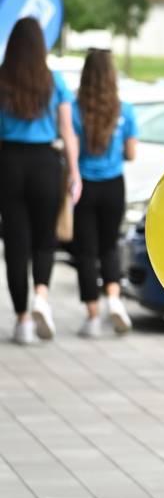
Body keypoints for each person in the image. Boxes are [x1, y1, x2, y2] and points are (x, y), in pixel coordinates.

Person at [0, 17, 81, 344]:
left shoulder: (2, 79)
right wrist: (75, 171)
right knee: (45, 237)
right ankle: (42, 298)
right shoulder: (54, 80)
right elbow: (66, 131)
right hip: (45, 164)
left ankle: (22, 321)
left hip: (8, 163)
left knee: (16, 243)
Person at [71, 49, 138, 338]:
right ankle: (113, 300)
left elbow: (71, 149)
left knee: (85, 252)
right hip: (114, 185)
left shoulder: (76, 109)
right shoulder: (125, 110)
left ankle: (92, 317)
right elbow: (131, 153)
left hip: (83, 187)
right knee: (109, 245)